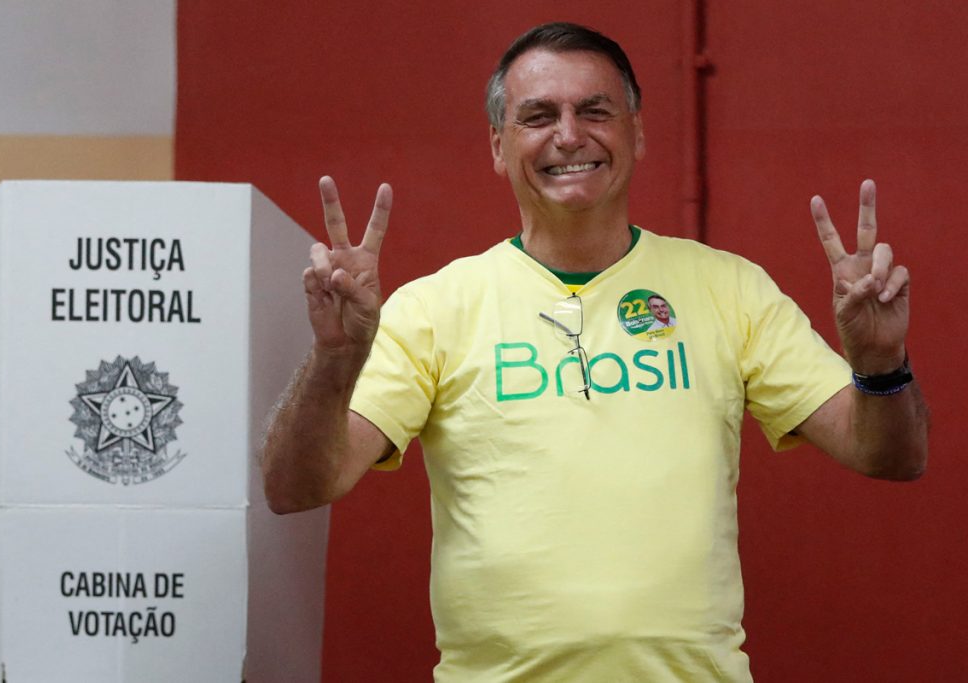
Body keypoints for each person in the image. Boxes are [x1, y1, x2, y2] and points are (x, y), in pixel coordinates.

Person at [262, 22, 928, 682]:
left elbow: (889, 454)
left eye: (595, 110)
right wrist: (335, 359)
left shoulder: (731, 289)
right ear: (499, 145)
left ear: (637, 133)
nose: (569, 135)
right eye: (538, 115)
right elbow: (298, 486)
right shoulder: (435, 307)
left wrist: (879, 364)